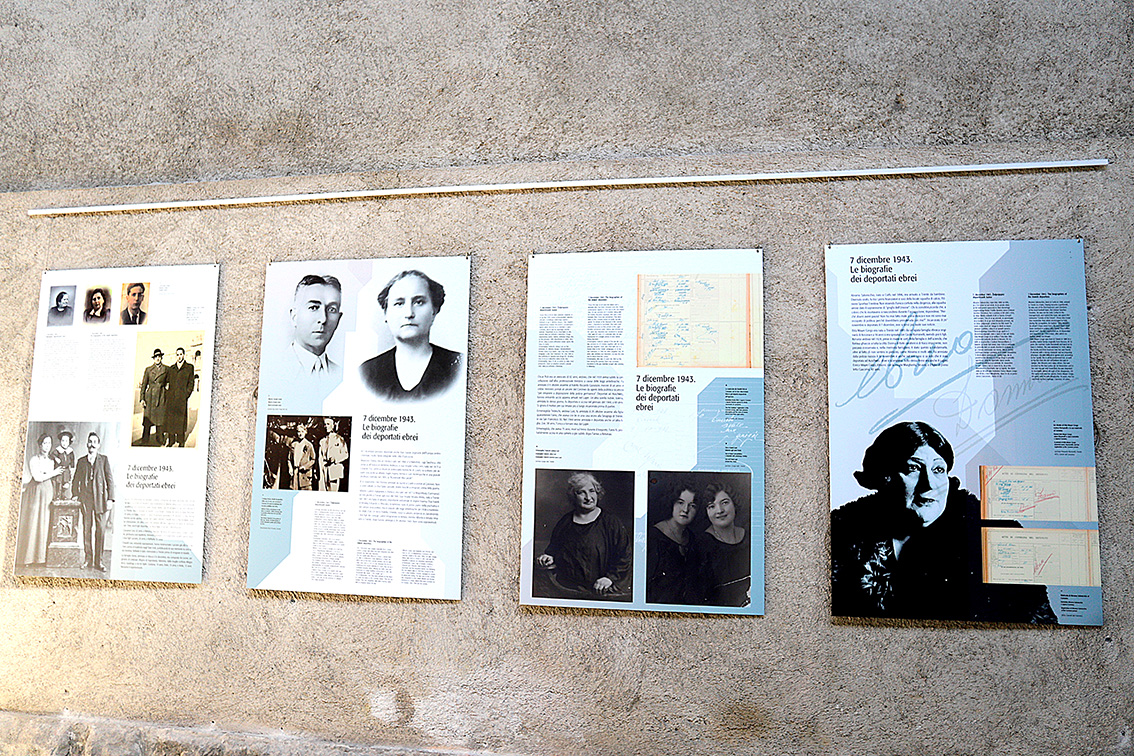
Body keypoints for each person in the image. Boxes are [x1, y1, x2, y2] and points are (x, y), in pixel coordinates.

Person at [831, 421, 1056, 623]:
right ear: (885, 477)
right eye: (913, 468)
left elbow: (1034, 629)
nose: (930, 484)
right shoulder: (841, 534)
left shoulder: (996, 537)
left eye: (938, 470)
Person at [360, 270, 462, 401]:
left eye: (419, 302)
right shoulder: (367, 373)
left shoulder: (458, 366)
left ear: (434, 311)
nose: (409, 313)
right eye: (399, 303)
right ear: (386, 314)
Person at [535, 472, 631, 600]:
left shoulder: (611, 523)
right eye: (581, 492)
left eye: (592, 491)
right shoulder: (565, 522)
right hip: (567, 589)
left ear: (597, 493)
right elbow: (554, 550)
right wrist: (549, 557)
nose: (588, 497)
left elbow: (624, 556)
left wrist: (609, 578)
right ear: (573, 496)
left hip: (600, 590)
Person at [646, 480, 707, 605]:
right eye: (680, 502)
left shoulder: (692, 538)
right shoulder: (653, 537)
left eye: (692, 505)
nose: (685, 509)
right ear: (671, 503)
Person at [697, 481, 751, 606]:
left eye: (725, 503)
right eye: (712, 506)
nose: (720, 510)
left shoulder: (749, 536)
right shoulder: (701, 545)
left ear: (734, 503)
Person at [285, 274, 344, 382]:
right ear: (294, 317)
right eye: (313, 307)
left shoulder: (343, 376)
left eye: (331, 309)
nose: (323, 319)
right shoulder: (275, 369)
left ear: (338, 319)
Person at [16, 434, 63, 567]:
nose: (47, 446)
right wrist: (53, 473)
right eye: (45, 443)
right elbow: (37, 477)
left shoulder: (52, 461)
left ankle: (41, 558)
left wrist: (49, 474)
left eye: (49, 443)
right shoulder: (34, 460)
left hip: (47, 492)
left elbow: (50, 476)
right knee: (33, 522)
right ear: (40, 444)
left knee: (44, 522)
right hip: (35, 493)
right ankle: (27, 559)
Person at [74, 431, 114, 572]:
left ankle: (99, 561)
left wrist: (110, 499)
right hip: (86, 500)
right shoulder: (81, 461)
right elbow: (75, 481)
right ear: (87, 444)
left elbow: (110, 480)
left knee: (100, 530)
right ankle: (88, 559)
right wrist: (76, 495)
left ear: (98, 445)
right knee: (87, 529)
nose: (92, 444)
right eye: (90, 441)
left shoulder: (104, 460)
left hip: (100, 500)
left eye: (94, 442)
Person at [164, 347, 196, 447]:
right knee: (171, 420)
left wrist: (186, 395)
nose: (179, 357)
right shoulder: (171, 368)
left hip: (182, 398)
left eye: (181, 354)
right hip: (171, 398)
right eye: (177, 355)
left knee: (181, 419)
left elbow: (191, 383)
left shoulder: (189, 367)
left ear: (184, 355)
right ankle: (171, 440)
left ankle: (181, 440)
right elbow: (166, 382)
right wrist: (168, 393)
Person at [139, 348, 168, 445]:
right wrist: (142, 398)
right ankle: (145, 440)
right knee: (147, 421)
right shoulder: (148, 370)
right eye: (155, 357)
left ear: (161, 357)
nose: (157, 359)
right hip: (150, 397)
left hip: (161, 396)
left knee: (160, 420)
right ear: (153, 358)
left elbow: (169, 382)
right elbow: (144, 385)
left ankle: (160, 439)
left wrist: (166, 393)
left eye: (159, 356)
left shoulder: (166, 369)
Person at [318, 417, 349, 492]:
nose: (326, 426)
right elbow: (320, 457)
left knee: (333, 491)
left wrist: (336, 459)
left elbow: (345, 454)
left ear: (333, 425)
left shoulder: (339, 439)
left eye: (328, 424)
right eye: (325, 424)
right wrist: (320, 471)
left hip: (334, 469)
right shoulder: (322, 441)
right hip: (324, 470)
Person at [288, 424, 316, 491]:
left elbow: (313, 459)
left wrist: (305, 466)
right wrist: (290, 468)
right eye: (298, 431)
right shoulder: (293, 444)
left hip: (304, 474)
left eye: (302, 431)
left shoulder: (309, 445)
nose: (300, 434)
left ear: (305, 432)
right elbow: (289, 459)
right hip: (295, 473)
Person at [50, 430, 76, 500]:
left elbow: (72, 460)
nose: (64, 443)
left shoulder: (70, 451)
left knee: (65, 483)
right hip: (59, 469)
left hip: (66, 470)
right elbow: (52, 455)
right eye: (63, 441)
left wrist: (72, 467)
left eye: (66, 441)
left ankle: (63, 495)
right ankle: (57, 496)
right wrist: (56, 458)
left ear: (69, 442)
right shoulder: (58, 450)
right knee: (59, 482)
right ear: (60, 441)